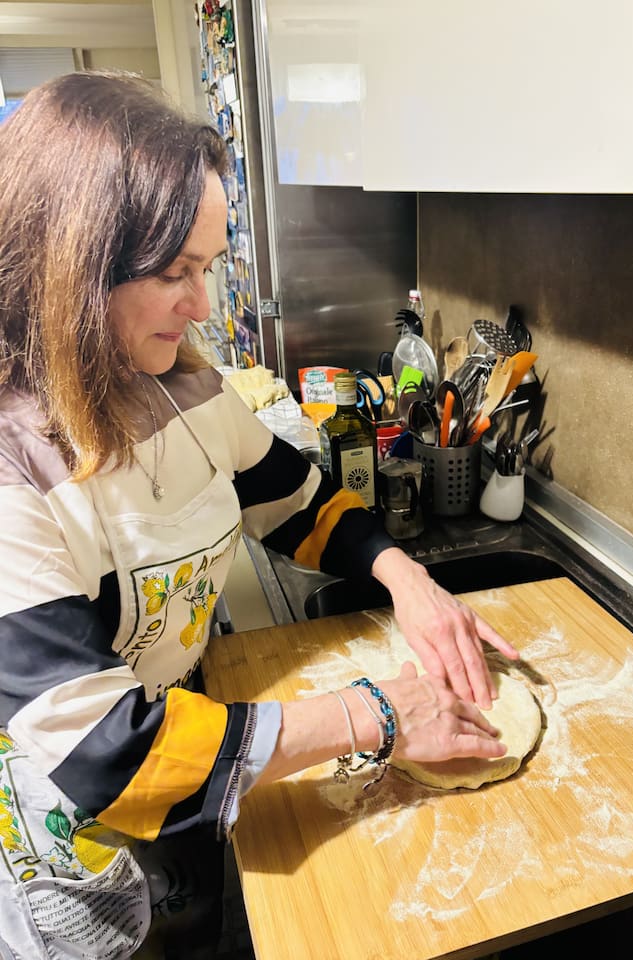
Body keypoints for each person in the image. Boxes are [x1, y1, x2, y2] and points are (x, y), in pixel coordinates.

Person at [0, 71, 518, 959]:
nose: (203, 305)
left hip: (201, 762)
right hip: (71, 842)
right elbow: (107, 754)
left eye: (207, 268)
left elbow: (300, 503)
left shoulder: (185, 389)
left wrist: (407, 578)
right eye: (176, 272)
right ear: (73, 267)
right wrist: (376, 713)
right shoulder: (13, 466)